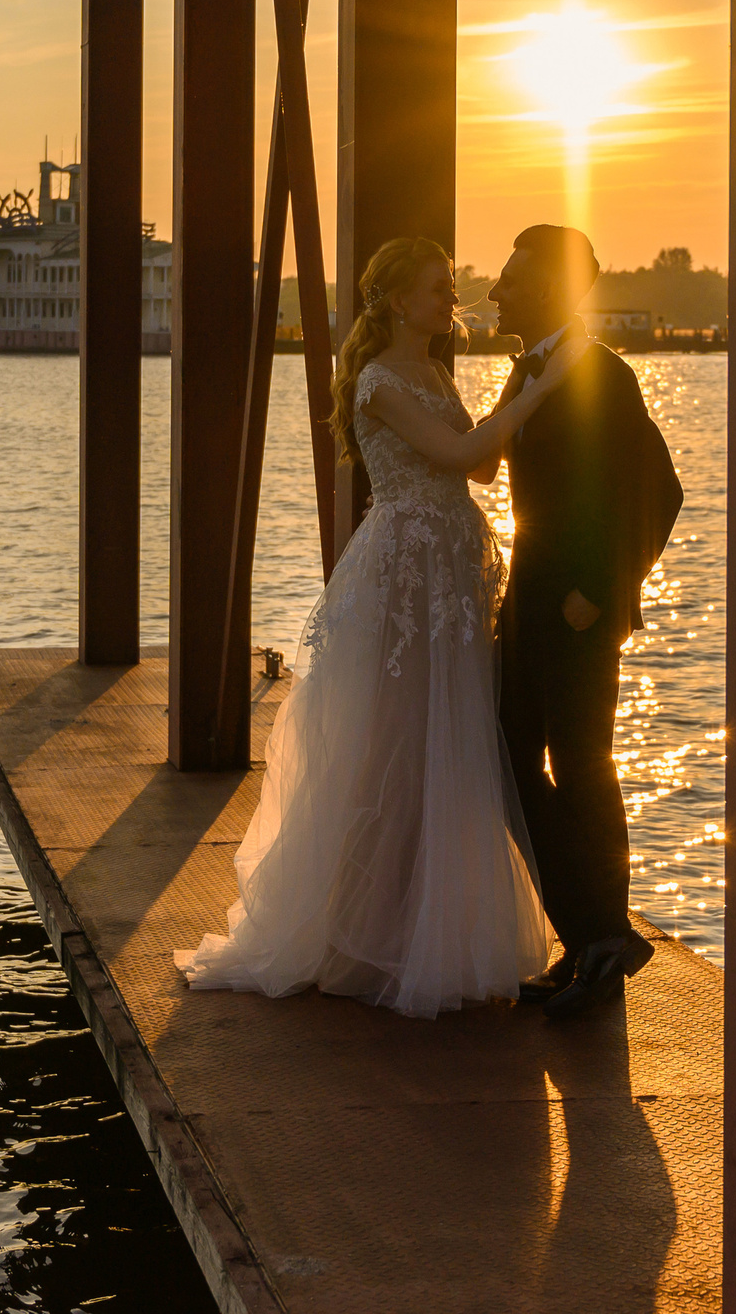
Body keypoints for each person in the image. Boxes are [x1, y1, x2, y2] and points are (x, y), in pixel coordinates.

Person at [174, 237, 586, 1018]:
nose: (450, 302)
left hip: (450, 575)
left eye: (451, 291)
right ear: (399, 300)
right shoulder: (377, 380)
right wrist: (543, 387)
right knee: (393, 744)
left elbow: (482, 469)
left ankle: (426, 930)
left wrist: (513, 389)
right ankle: (360, 936)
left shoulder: (434, 372)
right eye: (437, 290)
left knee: (448, 743)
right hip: (405, 579)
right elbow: (463, 448)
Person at [487, 224, 684, 1019]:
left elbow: (658, 492)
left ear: (547, 290)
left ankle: (598, 943)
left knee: (584, 768)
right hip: (526, 606)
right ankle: (593, 935)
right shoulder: (526, 374)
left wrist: (602, 594)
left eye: (509, 279)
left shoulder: (607, 377)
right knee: (511, 760)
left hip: (575, 615)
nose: (495, 292)